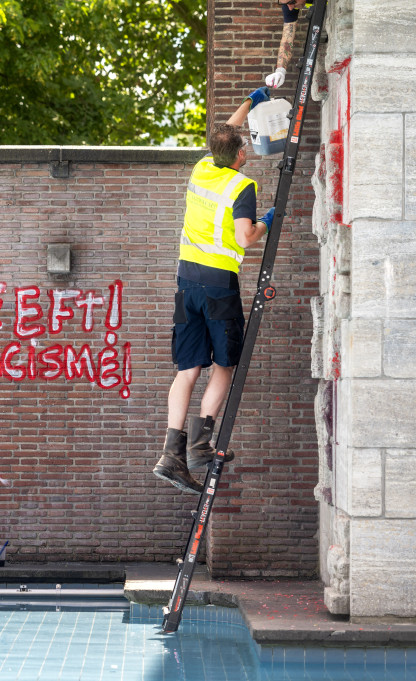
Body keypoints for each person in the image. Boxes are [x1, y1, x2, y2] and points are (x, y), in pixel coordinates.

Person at [153, 87, 276, 493]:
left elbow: (226, 131)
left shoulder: (203, 167)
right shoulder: (241, 186)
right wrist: (267, 221)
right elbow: (244, 238)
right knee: (224, 363)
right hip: (219, 285)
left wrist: (252, 100)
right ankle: (199, 446)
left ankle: (170, 455)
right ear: (240, 154)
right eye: (244, 147)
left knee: (187, 369)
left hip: (186, 281)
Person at [266, 1, 310, 89]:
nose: (290, 7)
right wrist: (280, 70)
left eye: (292, 2)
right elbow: (287, 39)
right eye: (286, 4)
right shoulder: (288, 4)